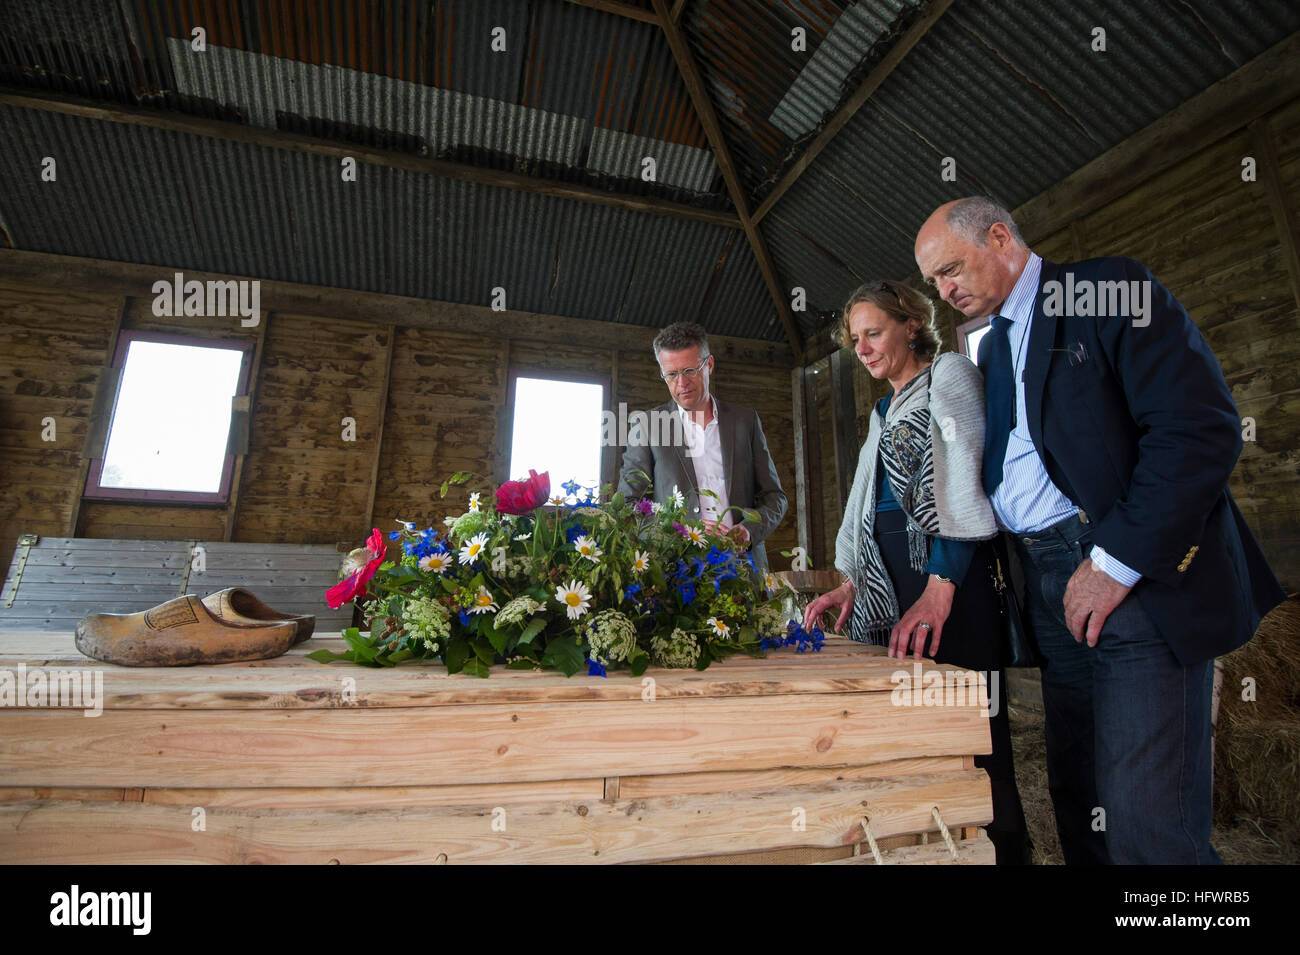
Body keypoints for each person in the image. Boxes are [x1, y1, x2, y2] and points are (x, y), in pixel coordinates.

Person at [914, 196, 1286, 865]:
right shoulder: (994, 349)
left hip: (1127, 572)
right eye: (933, 283)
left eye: (949, 269)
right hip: (1048, 581)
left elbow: (1199, 430)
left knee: (1147, 821)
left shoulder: (1105, 291)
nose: (943, 291)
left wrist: (1113, 562)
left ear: (999, 235)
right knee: (1080, 797)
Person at [802, 280, 1031, 865]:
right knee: (920, 728)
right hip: (896, 584)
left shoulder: (949, 375)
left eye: (874, 333)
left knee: (976, 731)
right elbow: (868, 504)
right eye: (856, 339)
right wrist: (851, 580)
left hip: (948, 581)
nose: (864, 348)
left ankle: (1006, 851)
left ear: (910, 324)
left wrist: (939, 585)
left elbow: (962, 482)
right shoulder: (883, 409)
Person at [617, 322, 788, 572]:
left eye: (689, 370)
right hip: (679, 574)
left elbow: (776, 498)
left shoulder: (746, 421)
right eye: (671, 374)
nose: (681, 383)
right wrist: (680, 531)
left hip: (743, 569)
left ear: (708, 365)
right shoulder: (647, 426)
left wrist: (748, 531)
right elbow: (626, 507)